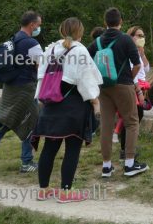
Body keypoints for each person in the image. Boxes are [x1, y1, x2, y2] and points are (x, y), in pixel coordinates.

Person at [31, 17, 103, 203]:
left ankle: (43, 190)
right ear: (80, 32)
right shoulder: (79, 51)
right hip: (73, 107)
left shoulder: (50, 50)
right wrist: (95, 102)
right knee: (72, 148)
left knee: (49, 147)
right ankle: (65, 192)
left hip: (50, 105)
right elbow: (86, 81)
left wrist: (41, 102)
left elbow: (41, 78)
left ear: (61, 30)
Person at [0, 11, 43, 174]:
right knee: (30, 122)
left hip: (9, 88)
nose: (39, 28)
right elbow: (41, 66)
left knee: (3, 122)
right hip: (25, 89)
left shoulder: (12, 40)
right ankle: (26, 162)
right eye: (38, 25)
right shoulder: (31, 43)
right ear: (32, 25)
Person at [87, 8, 148, 177]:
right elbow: (137, 64)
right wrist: (129, 79)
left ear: (105, 22)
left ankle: (106, 167)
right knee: (131, 122)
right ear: (120, 21)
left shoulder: (97, 41)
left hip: (104, 87)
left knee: (106, 125)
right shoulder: (126, 39)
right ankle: (129, 164)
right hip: (124, 85)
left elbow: (87, 62)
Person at [115, 26, 151, 160]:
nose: (142, 38)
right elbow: (131, 73)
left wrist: (142, 54)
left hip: (140, 86)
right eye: (139, 35)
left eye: (143, 36)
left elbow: (146, 69)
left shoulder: (138, 52)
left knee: (135, 117)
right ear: (131, 36)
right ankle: (125, 149)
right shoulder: (128, 51)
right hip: (133, 87)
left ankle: (127, 147)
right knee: (131, 118)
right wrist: (138, 91)